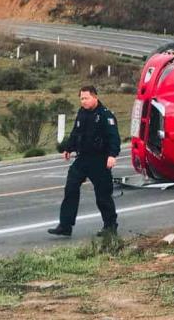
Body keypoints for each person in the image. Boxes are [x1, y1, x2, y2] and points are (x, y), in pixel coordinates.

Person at [48, 86, 121, 237]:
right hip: (82, 159)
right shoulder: (82, 113)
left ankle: (110, 225)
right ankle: (65, 225)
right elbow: (76, 132)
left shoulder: (105, 115)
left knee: (103, 195)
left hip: (99, 160)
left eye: (86, 98)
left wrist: (112, 155)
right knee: (71, 189)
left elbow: (114, 137)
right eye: (81, 98)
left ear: (95, 97)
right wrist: (69, 148)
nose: (83, 101)